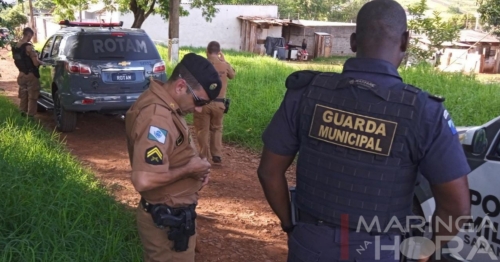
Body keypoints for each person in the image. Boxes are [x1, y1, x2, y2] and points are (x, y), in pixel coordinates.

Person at [256, 0, 471, 261]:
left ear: (354, 41)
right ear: (405, 41)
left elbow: (269, 172)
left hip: (311, 242)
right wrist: (426, 250)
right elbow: (456, 207)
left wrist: (290, 224)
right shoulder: (425, 112)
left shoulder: (306, 93)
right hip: (379, 250)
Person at [125, 53, 222, 262]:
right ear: (180, 86)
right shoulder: (156, 117)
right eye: (198, 101)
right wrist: (189, 170)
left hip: (175, 217)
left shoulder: (168, 104)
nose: (198, 109)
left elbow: (175, 150)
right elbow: (143, 179)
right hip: (166, 222)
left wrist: (197, 167)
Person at [193, 41, 236, 164]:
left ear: (207, 51)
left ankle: (203, 156)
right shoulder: (224, 65)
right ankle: (216, 154)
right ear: (219, 52)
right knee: (217, 128)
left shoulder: (201, 65)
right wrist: (224, 60)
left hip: (203, 104)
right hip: (219, 104)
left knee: (202, 129)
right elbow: (232, 75)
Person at [12, 27, 44, 118]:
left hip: (21, 74)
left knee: (23, 95)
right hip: (31, 75)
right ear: (29, 35)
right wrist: (41, 62)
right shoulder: (28, 47)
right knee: (32, 96)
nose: (31, 38)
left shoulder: (16, 47)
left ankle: (22, 113)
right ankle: (30, 117)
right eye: (31, 36)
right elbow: (35, 62)